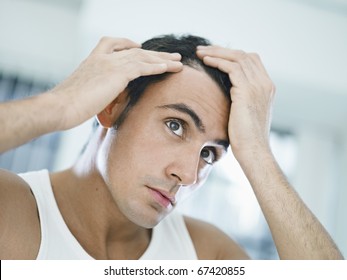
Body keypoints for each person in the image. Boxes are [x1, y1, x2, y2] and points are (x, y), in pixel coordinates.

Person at [0, 34, 343, 260]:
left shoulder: (206, 255)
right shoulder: (12, 211)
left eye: (209, 153)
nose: (188, 174)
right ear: (111, 106)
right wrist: (60, 105)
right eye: (176, 125)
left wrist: (257, 152)